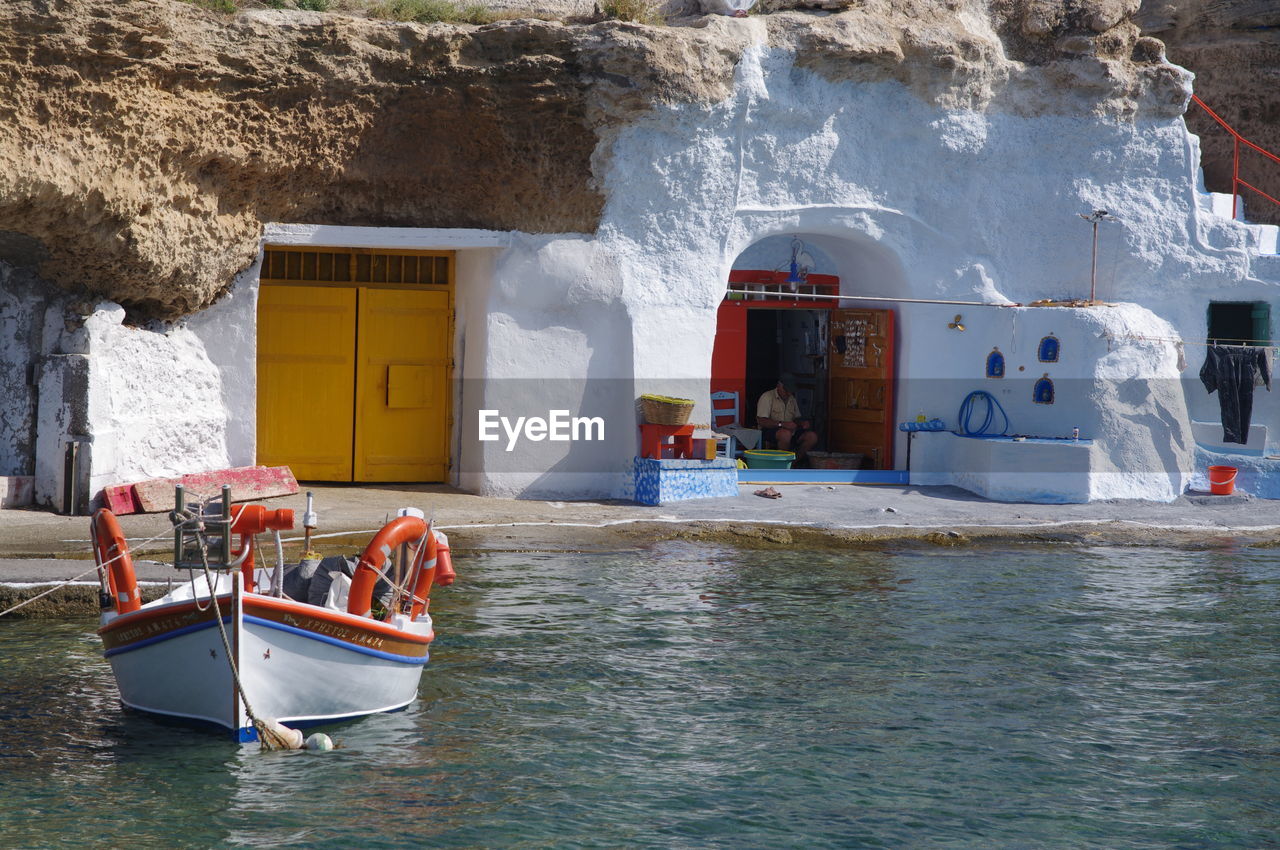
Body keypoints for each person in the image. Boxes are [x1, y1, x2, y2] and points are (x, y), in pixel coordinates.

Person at [756, 374, 818, 463]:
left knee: (812, 437)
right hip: (769, 431)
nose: (788, 394)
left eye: (791, 391)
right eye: (786, 391)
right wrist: (782, 424)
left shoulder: (791, 398)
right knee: (785, 434)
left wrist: (802, 423)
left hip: (791, 431)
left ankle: (793, 463)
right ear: (779, 386)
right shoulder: (767, 397)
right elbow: (761, 421)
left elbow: (796, 418)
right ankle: (783, 464)